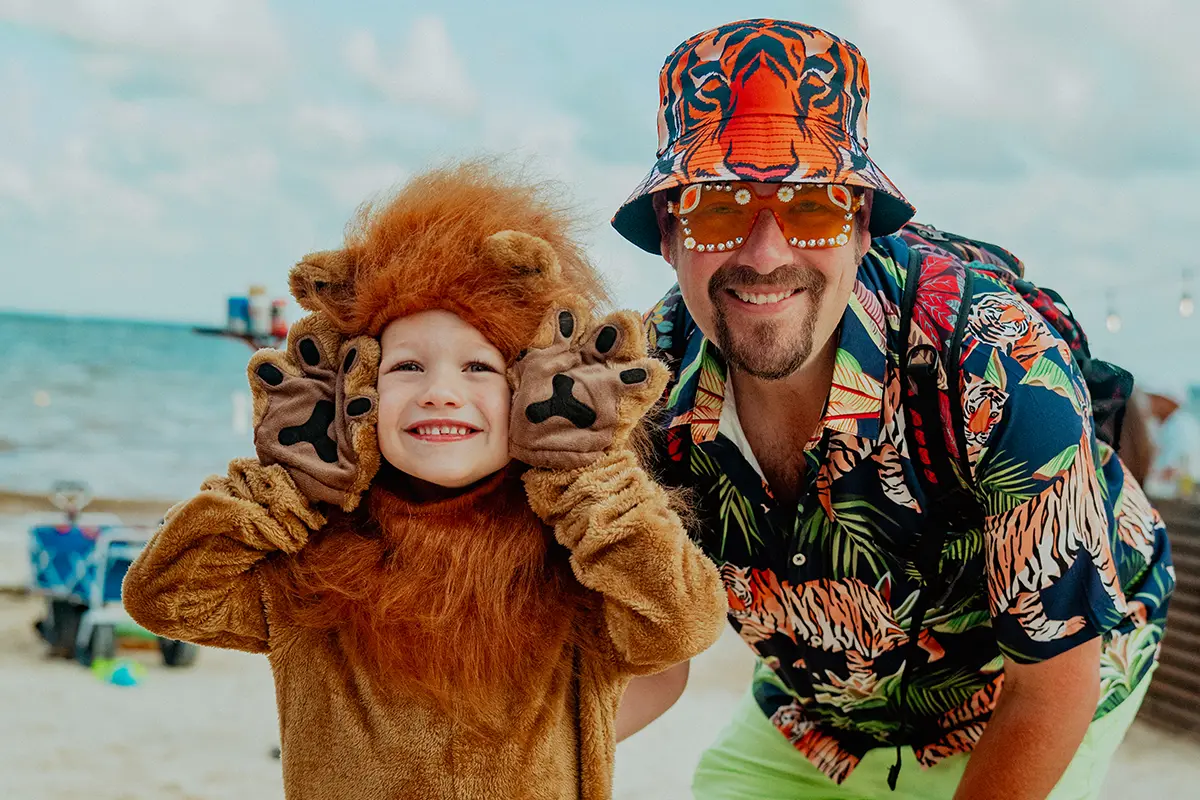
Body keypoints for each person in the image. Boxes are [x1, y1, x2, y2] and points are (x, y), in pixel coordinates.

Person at [610, 19, 1175, 800]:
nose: (765, 253)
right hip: (825, 706)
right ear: (670, 237)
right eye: (717, 209)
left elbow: (1051, 684)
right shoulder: (644, 389)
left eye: (812, 208)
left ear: (861, 229)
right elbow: (657, 661)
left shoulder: (995, 359)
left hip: (1027, 691)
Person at [122, 163, 727, 800]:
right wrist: (290, 483)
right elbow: (165, 595)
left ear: (535, 385)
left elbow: (682, 626)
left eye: (478, 367)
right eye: (407, 366)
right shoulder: (313, 564)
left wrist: (587, 476)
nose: (440, 392)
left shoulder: (576, 560)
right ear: (352, 387)